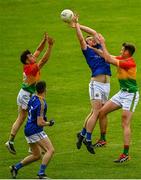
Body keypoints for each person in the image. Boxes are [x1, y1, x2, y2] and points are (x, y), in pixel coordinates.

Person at [5, 33, 54, 154]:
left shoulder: (29, 63)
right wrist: (50, 46)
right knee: (32, 117)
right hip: (26, 95)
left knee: (22, 118)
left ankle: (11, 141)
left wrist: (43, 40)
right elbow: (44, 60)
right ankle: (31, 144)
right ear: (27, 59)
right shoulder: (31, 68)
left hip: (24, 94)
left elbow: (38, 50)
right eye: (31, 56)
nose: (34, 55)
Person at [70, 16, 111, 154]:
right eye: (89, 40)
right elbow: (81, 39)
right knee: (97, 112)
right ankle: (87, 138)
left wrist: (78, 24)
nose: (91, 40)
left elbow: (94, 32)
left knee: (97, 112)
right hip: (96, 84)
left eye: (92, 40)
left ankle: (82, 134)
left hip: (106, 86)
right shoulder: (87, 51)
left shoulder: (99, 47)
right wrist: (76, 28)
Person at [97, 34, 139, 162]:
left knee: (125, 122)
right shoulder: (123, 58)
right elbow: (106, 56)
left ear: (127, 52)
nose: (120, 51)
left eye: (122, 50)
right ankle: (103, 139)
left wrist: (103, 43)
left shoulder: (129, 62)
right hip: (121, 93)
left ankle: (125, 154)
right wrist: (91, 48)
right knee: (102, 112)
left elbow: (109, 59)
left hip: (130, 95)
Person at [10, 81, 55, 179]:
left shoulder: (33, 97)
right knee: (50, 150)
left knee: (36, 155)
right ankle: (41, 174)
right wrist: (49, 123)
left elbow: (28, 109)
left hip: (28, 129)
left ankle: (15, 167)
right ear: (44, 90)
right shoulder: (42, 103)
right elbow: (40, 123)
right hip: (35, 130)